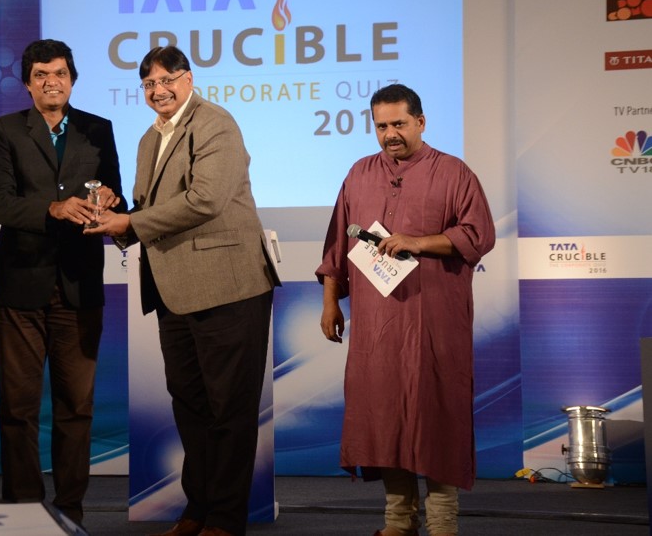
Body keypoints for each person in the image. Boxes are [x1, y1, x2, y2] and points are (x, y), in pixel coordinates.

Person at [87, 45, 280, 536]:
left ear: (188, 79)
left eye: (167, 79)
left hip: (228, 287)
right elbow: (151, 208)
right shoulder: (149, 139)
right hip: (173, 289)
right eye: (149, 84)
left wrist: (131, 222)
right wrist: (116, 215)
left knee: (229, 410)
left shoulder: (215, 123)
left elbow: (205, 200)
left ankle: (226, 519)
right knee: (190, 408)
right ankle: (197, 509)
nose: (159, 90)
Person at [316, 83, 496, 536]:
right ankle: (398, 522)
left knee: (438, 415)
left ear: (420, 122)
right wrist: (330, 303)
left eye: (398, 123)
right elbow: (337, 245)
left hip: (435, 321)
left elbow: (478, 234)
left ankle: (442, 524)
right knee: (383, 417)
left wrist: (419, 242)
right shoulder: (359, 174)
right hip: (376, 325)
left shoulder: (454, 173)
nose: (390, 134)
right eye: (381, 126)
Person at [0, 38, 125, 526]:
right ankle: (24, 512)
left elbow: (118, 197)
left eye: (60, 73)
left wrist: (110, 200)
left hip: (80, 287)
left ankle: (70, 512)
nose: (51, 82)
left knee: (76, 408)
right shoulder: (6, 131)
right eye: (41, 75)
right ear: (27, 84)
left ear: (72, 79)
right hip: (21, 288)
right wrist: (53, 209)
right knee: (18, 408)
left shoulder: (98, 129)